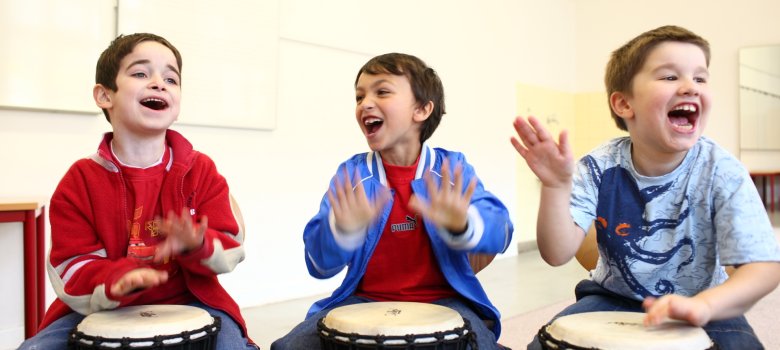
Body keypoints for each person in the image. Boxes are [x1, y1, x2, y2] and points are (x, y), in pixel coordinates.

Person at [511, 25, 780, 350]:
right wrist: (555, 187)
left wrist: (706, 306)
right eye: (669, 77)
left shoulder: (722, 171)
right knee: (546, 344)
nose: (690, 87)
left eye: (700, 78)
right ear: (624, 104)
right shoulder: (598, 166)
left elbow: (764, 267)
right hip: (613, 297)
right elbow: (556, 254)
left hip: (706, 304)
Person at [18, 33, 257, 349]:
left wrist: (198, 243)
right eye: (141, 73)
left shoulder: (201, 171)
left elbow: (231, 244)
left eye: (171, 79)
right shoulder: (79, 181)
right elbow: (72, 265)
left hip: (194, 302)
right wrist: (117, 278)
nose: (159, 83)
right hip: (98, 309)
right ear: (105, 95)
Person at [271, 53, 514, 349]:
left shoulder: (451, 169)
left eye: (382, 91)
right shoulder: (353, 174)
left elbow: (501, 230)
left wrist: (464, 223)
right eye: (359, 96)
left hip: (447, 302)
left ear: (422, 109)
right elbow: (318, 264)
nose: (365, 103)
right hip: (362, 301)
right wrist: (341, 232)